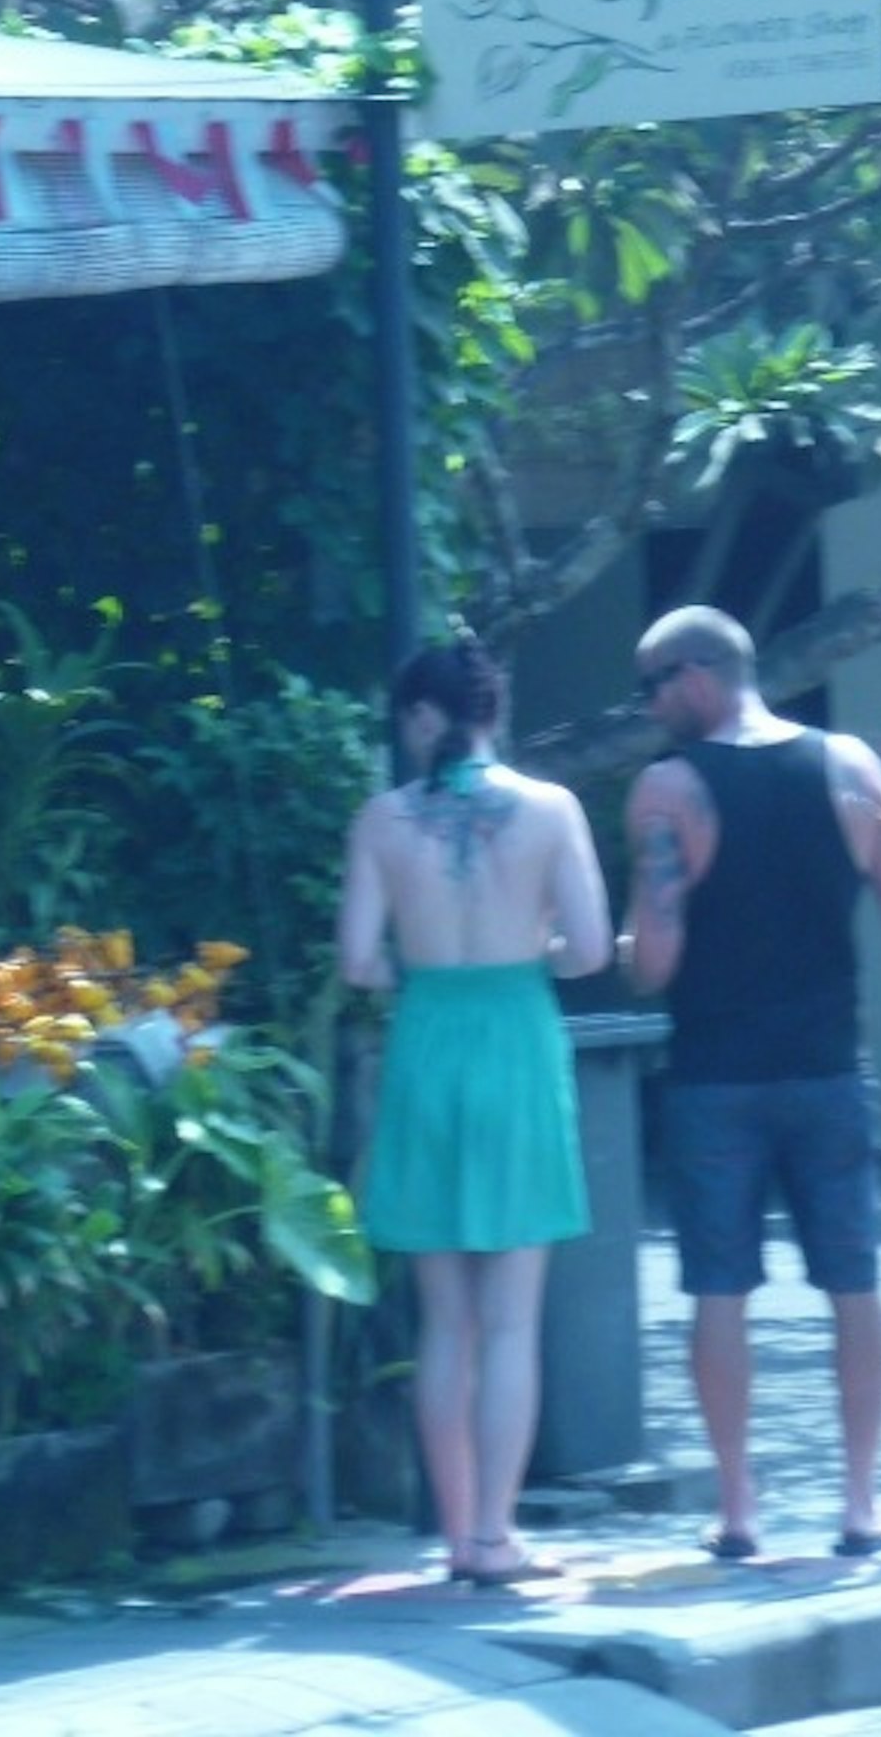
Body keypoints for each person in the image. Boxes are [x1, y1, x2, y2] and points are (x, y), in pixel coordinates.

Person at [619, 604, 881, 1563]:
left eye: (653, 687)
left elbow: (655, 966)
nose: (648, 708)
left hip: (712, 1079)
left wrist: (632, 938)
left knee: (719, 1293)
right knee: (856, 1285)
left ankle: (738, 1511)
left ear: (699, 677)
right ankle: (860, 1503)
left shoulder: (667, 793)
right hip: (825, 1071)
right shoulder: (853, 768)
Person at [337, 636, 615, 1587]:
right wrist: (527, 939)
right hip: (515, 1039)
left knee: (444, 1324)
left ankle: (457, 1534)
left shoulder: (382, 820)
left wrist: (418, 959)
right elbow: (587, 949)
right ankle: (498, 1537)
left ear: (423, 717)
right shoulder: (550, 810)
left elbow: (357, 961)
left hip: (427, 1040)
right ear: (493, 712)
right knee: (511, 1321)